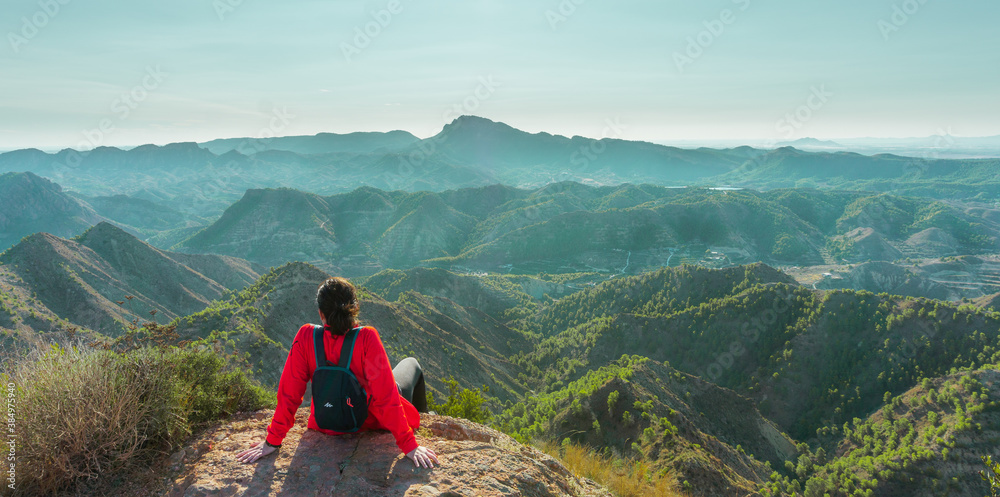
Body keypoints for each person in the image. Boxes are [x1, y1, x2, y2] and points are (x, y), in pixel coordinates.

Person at [236, 277, 439, 468]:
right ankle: (426, 415)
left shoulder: (306, 336)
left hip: (323, 422)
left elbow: (289, 393)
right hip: (365, 421)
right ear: (354, 309)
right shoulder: (367, 337)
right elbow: (386, 396)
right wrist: (409, 445)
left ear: (321, 313)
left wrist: (273, 441)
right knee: (412, 364)